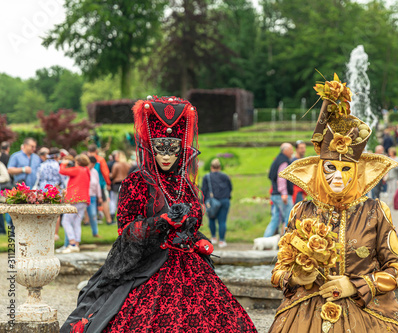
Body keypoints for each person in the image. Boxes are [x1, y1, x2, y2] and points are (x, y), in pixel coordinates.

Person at [61, 96, 257, 332]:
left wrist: (197, 238)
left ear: (181, 149)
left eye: (172, 148)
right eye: (160, 148)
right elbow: (126, 230)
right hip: (150, 266)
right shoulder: (137, 181)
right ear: (150, 147)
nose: (165, 156)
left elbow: (191, 223)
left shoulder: (186, 184)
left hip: (191, 267)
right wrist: (160, 223)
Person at [268, 76, 398, 332]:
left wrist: (357, 285)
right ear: (319, 168)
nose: (338, 176)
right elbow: (278, 270)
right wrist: (295, 277)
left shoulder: (376, 212)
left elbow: (397, 269)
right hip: (304, 312)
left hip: (364, 311)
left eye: (346, 169)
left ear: (357, 171)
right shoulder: (301, 211)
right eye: (331, 167)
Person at [59, 154, 91, 254]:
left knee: (66, 221)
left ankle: (72, 244)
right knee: (77, 222)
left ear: (78, 162)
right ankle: (76, 244)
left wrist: (63, 164)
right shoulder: (86, 170)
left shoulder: (78, 169)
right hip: (84, 200)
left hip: (75, 199)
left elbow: (62, 171)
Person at [264, 142, 294, 237]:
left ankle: (265, 239)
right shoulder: (284, 161)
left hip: (275, 194)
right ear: (286, 150)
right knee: (288, 218)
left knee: (275, 219)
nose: (292, 152)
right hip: (282, 195)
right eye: (291, 150)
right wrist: (284, 193)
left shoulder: (277, 160)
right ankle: (286, 242)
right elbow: (281, 178)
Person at [201, 158, 232, 248]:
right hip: (224, 200)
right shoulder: (225, 176)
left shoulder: (207, 177)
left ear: (211, 167)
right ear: (220, 167)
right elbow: (230, 188)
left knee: (212, 219)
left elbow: (204, 190)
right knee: (222, 221)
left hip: (212, 201)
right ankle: (222, 241)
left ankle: (213, 238)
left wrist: (203, 201)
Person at [88, 144, 112, 224]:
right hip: (99, 184)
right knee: (104, 201)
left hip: (87, 184)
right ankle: (109, 220)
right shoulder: (100, 159)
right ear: (96, 151)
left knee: (87, 201)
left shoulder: (86, 159)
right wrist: (108, 183)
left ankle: (86, 221)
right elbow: (105, 172)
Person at [108, 150, 130, 223]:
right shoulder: (128, 164)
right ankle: (124, 216)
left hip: (116, 184)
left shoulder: (116, 165)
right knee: (124, 201)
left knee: (113, 200)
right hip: (125, 184)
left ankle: (112, 216)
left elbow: (113, 175)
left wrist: (109, 175)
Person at [87, 156, 102, 239]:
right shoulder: (84, 171)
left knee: (93, 214)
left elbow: (97, 185)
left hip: (92, 196)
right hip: (84, 196)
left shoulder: (95, 172)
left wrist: (99, 196)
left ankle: (95, 232)